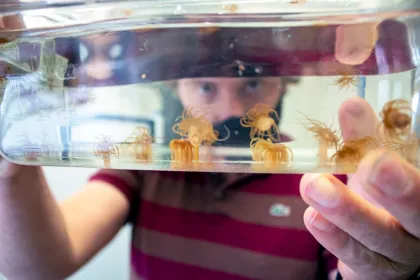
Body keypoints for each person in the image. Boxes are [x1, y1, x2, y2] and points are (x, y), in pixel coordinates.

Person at [1, 20, 420, 280]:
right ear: (175, 87)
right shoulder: (148, 163)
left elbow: (351, 268)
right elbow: (40, 267)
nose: (231, 110)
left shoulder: (325, 174)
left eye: (253, 83)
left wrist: (377, 270)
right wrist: (10, 170)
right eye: (205, 85)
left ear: (285, 82)